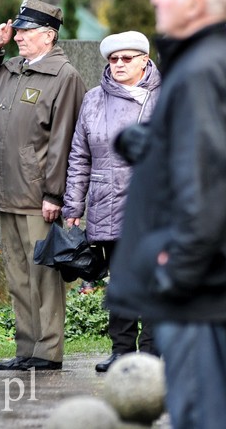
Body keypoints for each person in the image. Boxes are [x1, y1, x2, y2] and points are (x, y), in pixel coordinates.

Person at [104, 0, 226, 429]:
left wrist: (177, 267)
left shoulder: (202, 69)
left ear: (195, 4)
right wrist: (150, 144)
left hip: (197, 284)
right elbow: (198, 152)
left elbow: (209, 184)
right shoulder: (203, 62)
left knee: (200, 414)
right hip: (201, 277)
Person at [0, 0, 86, 371]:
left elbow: (65, 140)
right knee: (17, 276)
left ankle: (48, 351)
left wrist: (55, 193)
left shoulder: (65, 77)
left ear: (48, 35)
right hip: (8, 191)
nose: (19, 36)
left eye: (27, 30)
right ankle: (27, 348)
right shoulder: (9, 69)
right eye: (19, 29)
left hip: (38, 197)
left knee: (44, 277)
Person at [62, 31, 162, 373]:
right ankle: (121, 350)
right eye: (113, 59)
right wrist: (73, 207)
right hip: (108, 201)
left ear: (145, 60)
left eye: (127, 58)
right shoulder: (93, 99)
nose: (119, 64)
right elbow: (79, 155)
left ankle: (150, 352)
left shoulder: (164, 97)